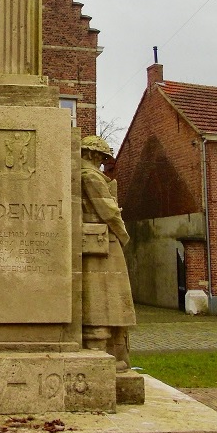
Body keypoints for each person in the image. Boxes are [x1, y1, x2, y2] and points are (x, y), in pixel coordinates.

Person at [79, 135, 136, 372]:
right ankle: (104, 351)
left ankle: (113, 349)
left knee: (107, 295)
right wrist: (123, 235)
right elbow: (109, 211)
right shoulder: (90, 176)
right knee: (104, 295)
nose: (102, 163)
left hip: (98, 239)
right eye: (102, 158)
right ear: (94, 155)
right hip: (103, 240)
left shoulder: (85, 175)